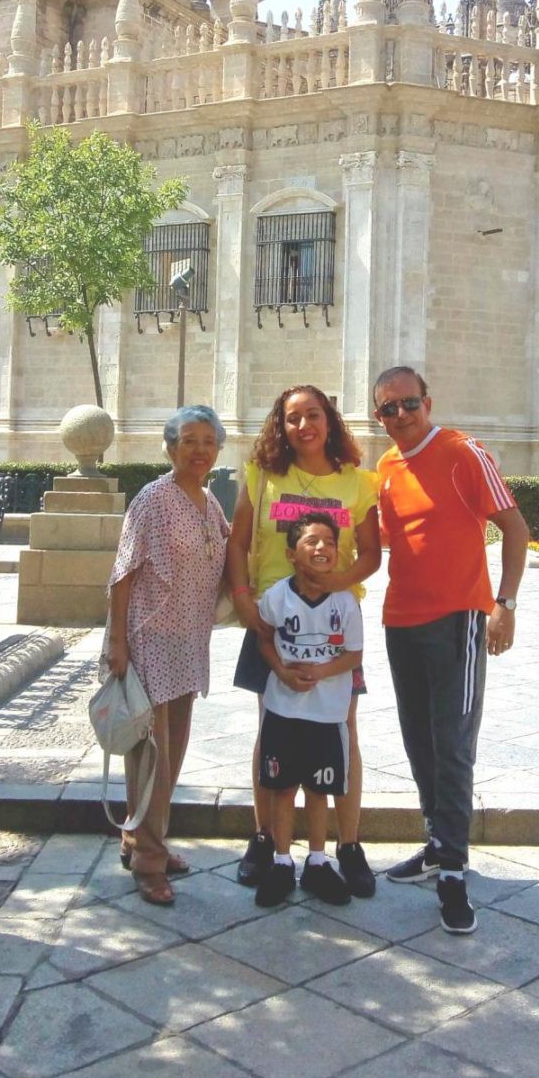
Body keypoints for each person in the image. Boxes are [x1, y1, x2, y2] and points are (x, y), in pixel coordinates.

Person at [373, 366, 529, 935]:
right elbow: (384, 542)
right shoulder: (386, 469)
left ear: (427, 402)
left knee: (453, 742)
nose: (400, 416)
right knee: (419, 742)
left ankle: (455, 873)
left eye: (408, 404)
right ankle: (437, 844)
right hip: (400, 622)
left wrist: (504, 603)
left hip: (458, 619)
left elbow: (515, 529)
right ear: (378, 417)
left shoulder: (464, 452)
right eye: (388, 409)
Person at [226, 384, 380, 897]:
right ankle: (266, 838)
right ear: (281, 426)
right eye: (292, 419)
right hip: (274, 622)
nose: (303, 426)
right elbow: (238, 541)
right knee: (272, 729)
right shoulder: (262, 476)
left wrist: (336, 583)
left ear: (329, 420)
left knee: (341, 731)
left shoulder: (358, 483)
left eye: (312, 415)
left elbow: (371, 556)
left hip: (332, 627)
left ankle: (348, 845)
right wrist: (245, 599)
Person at [106, 405, 229, 906]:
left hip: (189, 643)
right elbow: (123, 571)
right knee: (151, 755)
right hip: (149, 641)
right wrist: (117, 640)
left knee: (171, 751)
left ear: (218, 449)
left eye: (208, 441)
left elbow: (228, 552)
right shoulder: (153, 498)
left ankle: (140, 838)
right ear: (171, 447)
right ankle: (149, 863)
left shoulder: (208, 501)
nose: (199, 450)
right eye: (189, 440)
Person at [253, 512, 364, 908]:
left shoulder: (346, 601)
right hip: (284, 709)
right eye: (312, 542)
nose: (322, 548)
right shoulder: (276, 597)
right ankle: (282, 861)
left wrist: (321, 670)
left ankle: (318, 861)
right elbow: (264, 638)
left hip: (327, 714)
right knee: (282, 788)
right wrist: (282, 671)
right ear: (291, 554)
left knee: (319, 790)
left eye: (330, 542)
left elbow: (354, 654)